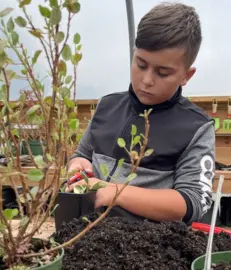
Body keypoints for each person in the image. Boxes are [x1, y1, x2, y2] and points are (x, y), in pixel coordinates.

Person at [66, 2, 215, 224]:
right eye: (141, 65)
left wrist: (113, 192)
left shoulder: (196, 127)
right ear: (133, 54)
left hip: (150, 246)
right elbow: (83, 155)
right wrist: (77, 164)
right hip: (87, 232)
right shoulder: (107, 106)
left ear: (187, 75)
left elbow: (192, 202)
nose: (147, 80)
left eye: (163, 73)